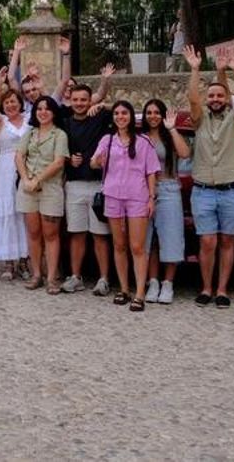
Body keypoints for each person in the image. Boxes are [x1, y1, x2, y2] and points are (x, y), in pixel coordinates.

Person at [183, 44, 234, 308]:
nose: (215, 99)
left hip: (232, 191)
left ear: (226, 99)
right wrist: (195, 69)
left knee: (227, 241)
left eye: (219, 96)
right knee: (208, 241)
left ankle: (222, 290)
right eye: (211, 95)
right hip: (203, 192)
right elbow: (192, 99)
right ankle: (206, 288)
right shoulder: (199, 121)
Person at [93, 100, 161, 311]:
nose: (120, 116)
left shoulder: (143, 141)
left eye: (124, 113)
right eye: (117, 113)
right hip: (113, 196)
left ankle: (140, 292)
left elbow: (151, 171)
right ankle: (124, 288)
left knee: (137, 246)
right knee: (119, 245)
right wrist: (97, 161)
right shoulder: (107, 140)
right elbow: (94, 162)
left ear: (131, 116)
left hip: (137, 197)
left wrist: (151, 198)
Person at [61, 71, 114, 295]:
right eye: (76, 100)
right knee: (77, 233)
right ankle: (76, 276)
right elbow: (58, 150)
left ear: (90, 99)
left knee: (100, 235)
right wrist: (68, 158)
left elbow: (124, 111)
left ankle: (103, 279)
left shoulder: (99, 118)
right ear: (70, 100)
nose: (80, 103)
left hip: (97, 186)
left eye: (84, 99)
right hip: (73, 185)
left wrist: (102, 106)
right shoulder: (64, 122)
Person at [140, 100, 191, 305]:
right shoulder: (140, 137)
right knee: (149, 239)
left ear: (162, 115)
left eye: (156, 112)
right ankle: (153, 282)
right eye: (149, 112)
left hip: (168, 188)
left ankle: (168, 283)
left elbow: (185, 153)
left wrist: (172, 129)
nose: (152, 116)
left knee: (170, 237)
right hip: (143, 191)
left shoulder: (169, 136)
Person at [15, 96, 68, 292]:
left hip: (50, 188)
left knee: (51, 234)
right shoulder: (30, 133)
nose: (42, 112)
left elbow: (58, 162)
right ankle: (36, 273)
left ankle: (52, 277)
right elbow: (19, 156)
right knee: (33, 233)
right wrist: (26, 179)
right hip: (28, 188)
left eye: (47, 109)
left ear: (53, 112)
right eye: (39, 109)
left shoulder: (59, 135)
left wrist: (37, 180)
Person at [0, 89, 31, 279]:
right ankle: (8, 261)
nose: (11, 105)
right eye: (7, 103)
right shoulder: (0, 122)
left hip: (27, 166)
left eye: (14, 101)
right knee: (8, 213)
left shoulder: (30, 119)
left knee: (24, 213)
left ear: (20, 103)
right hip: (6, 168)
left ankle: (25, 260)